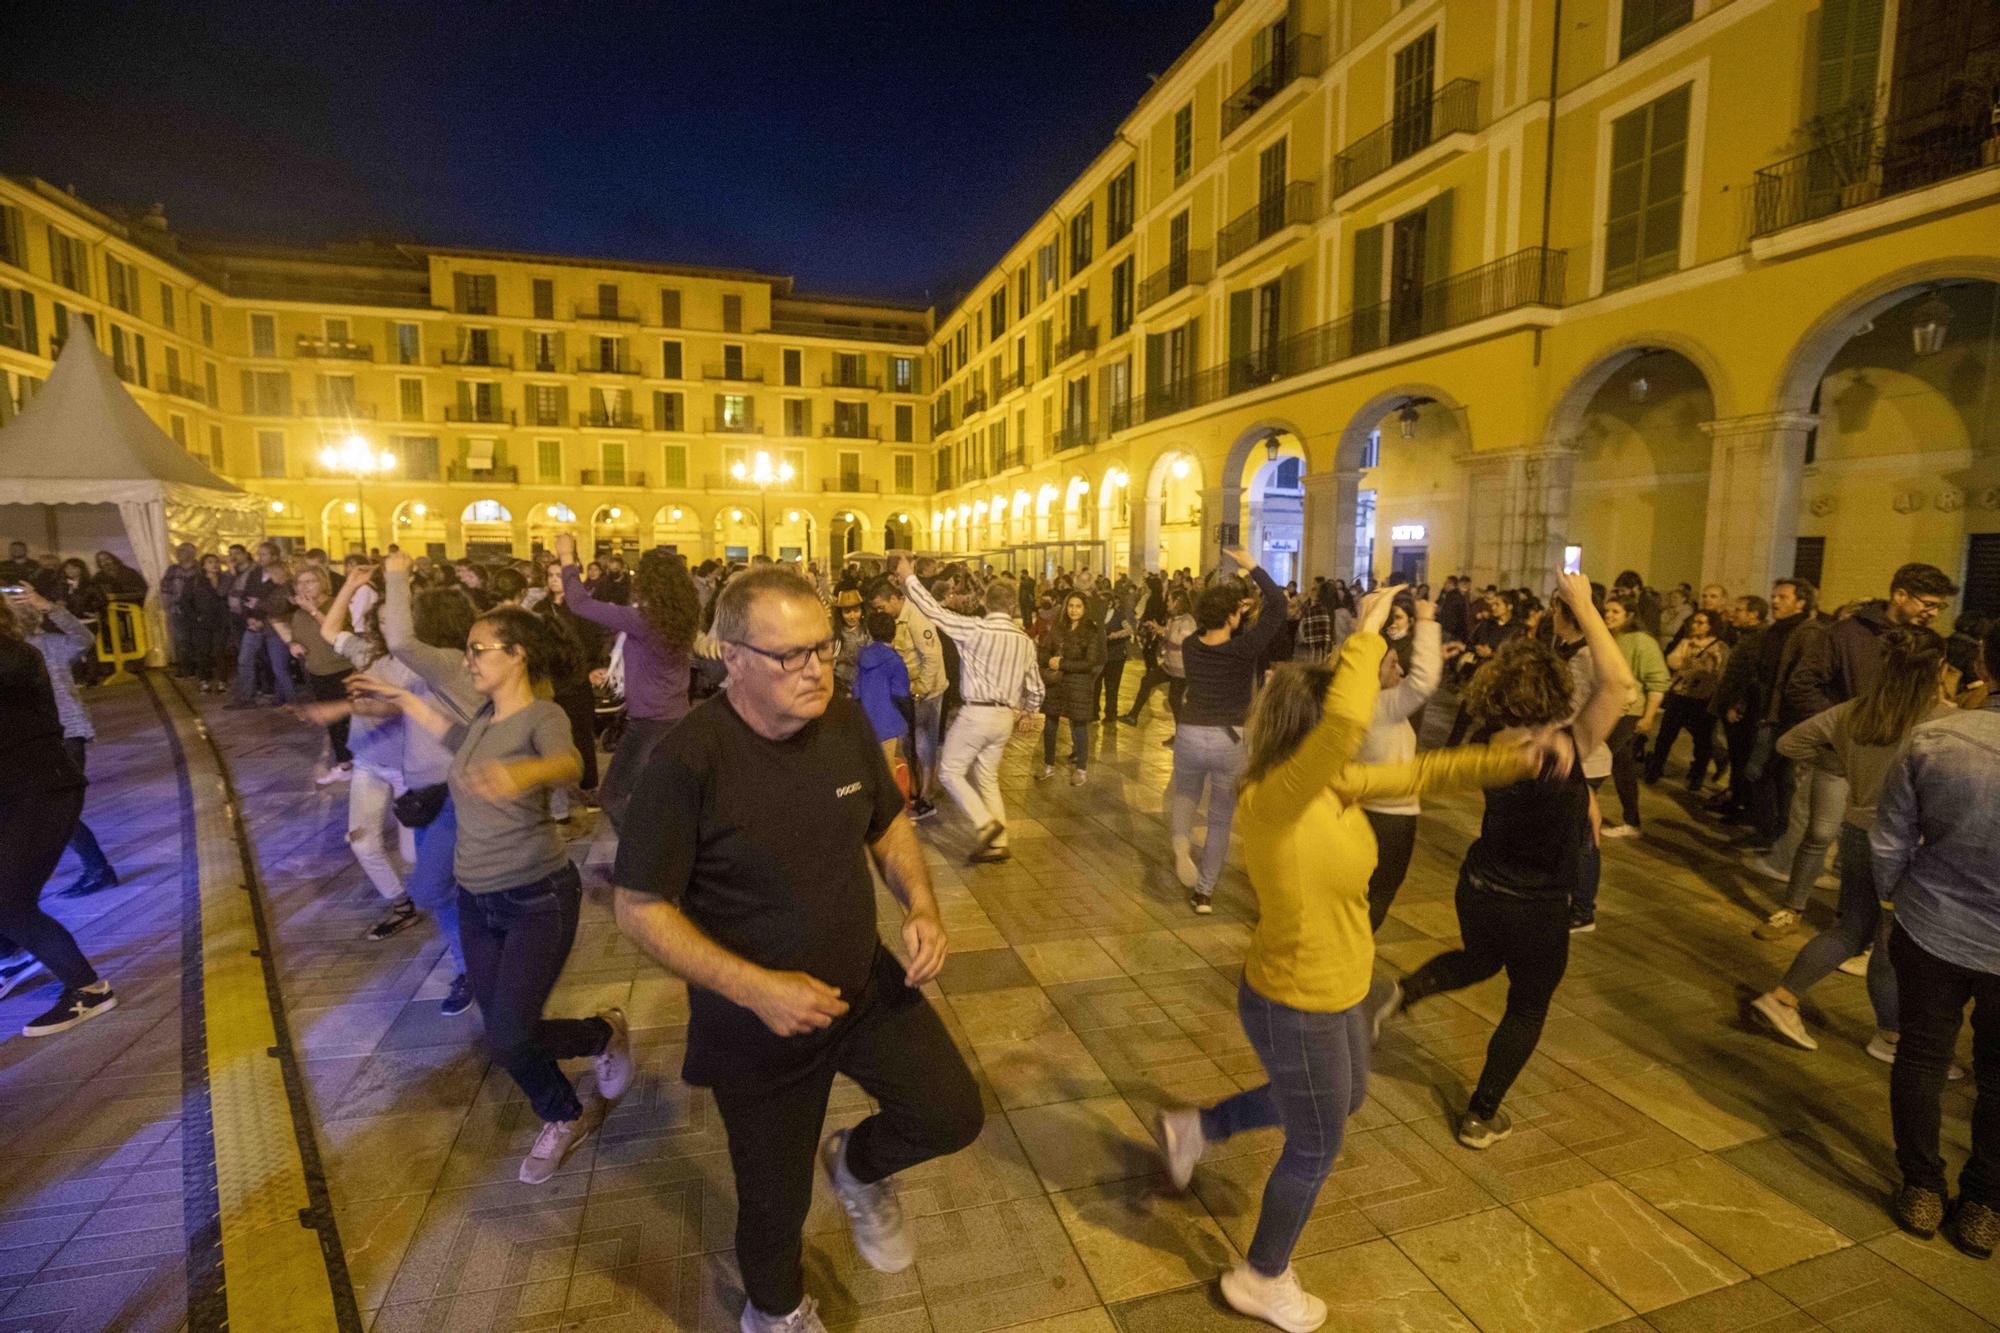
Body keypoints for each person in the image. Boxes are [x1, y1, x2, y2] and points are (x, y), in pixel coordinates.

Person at [1152, 589, 1539, 1331]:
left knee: (1341, 1100)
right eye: (1339, 724)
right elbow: (1348, 722)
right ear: (1313, 729)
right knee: (1317, 1140)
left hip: (1341, 988)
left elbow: (1424, 774)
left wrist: (1512, 761)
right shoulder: (1279, 794)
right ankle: (1261, 1275)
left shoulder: (1332, 784)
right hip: (1298, 996)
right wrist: (1363, 632)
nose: (1358, 734)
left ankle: (1195, 1129)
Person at [610, 566, 980, 1333]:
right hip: (760, 1022)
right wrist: (754, 988)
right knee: (775, 1203)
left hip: (864, 984)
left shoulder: (842, 721)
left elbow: (889, 823)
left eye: (823, 647)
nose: (816, 668)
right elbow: (639, 907)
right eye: (791, 655)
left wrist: (922, 904)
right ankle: (774, 1312)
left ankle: (857, 1164)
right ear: (732, 656)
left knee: (949, 1112)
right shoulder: (687, 762)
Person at [352, 606, 631, 1184]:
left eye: (479, 649)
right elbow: (457, 738)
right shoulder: (482, 718)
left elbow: (570, 762)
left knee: (509, 1037)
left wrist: (524, 776)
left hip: (538, 898)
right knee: (505, 1032)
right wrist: (402, 701)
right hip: (479, 902)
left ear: (517, 655)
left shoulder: (543, 715)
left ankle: (578, 1083)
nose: (469, 660)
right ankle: (592, 1051)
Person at [1379, 572, 1634, 1147]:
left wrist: (1586, 798)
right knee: (1527, 1005)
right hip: (1538, 906)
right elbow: (1618, 684)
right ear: (1559, 694)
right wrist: (1587, 607)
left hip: (1479, 887)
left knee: (1480, 958)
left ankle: (1409, 989)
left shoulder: (1496, 742)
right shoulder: (1565, 747)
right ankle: (1480, 1113)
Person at [1750, 627, 1957, 1061]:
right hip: (1908, 845)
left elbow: (1790, 743)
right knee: (1888, 943)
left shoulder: (1854, 712)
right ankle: (1891, 1037)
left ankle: (1784, 998)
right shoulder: (1942, 722)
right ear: (1937, 669)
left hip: (1860, 833)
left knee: (1852, 928)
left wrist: (1840, 762)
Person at [1873, 619, 2000, 1256]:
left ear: (1985, 664)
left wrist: (1893, 894)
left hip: (1935, 923)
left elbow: (1891, 834)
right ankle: (1984, 1203)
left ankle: (1923, 1186)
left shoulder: (1937, 737)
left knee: (1922, 1055)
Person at [0, 589, 116, 1036]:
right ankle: (11, 956)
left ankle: (88, 989)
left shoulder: (14, 656)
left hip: (40, 789)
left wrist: (48, 606)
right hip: (20, 788)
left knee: (9, 901)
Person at [379, 552, 483, 1013]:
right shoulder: (436, 670)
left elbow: (400, 639)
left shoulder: (447, 662)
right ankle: (471, 967)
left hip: (451, 792)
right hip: (428, 794)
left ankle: (481, 962)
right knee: (447, 889)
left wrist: (395, 574)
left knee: (428, 887)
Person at [897, 558, 1043, 864]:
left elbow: (934, 611)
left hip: (977, 712)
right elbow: (1036, 687)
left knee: (950, 772)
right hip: (1005, 716)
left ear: (987, 603)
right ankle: (998, 842)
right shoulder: (1024, 641)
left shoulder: (975, 628)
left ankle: (986, 824)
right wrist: (1029, 711)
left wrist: (910, 579)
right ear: (1014, 606)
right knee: (987, 776)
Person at [551, 534, 696, 830]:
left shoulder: (641, 618)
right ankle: (661, 851)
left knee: (613, 796)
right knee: (657, 795)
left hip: (649, 722)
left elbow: (579, 603)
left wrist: (567, 557)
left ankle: (644, 856)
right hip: (676, 715)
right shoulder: (683, 617)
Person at [297, 566, 415, 925]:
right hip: (368, 761)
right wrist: (349, 584)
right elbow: (330, 630)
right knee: (362, 841)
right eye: (380, 620)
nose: (386, 625)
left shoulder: (419, 662)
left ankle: (444, 893)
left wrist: (346, 706)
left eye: (393, 618)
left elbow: (395, 706)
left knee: (413, 855)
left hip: (408, 767)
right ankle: (400, 902)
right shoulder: (367, 652)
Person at [1172, 547, 1287, 913]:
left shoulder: (1191, 646)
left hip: (1190, 731)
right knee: (1220, 818)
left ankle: (1179, 842)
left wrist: (1230, 606)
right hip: (1228, 739)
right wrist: (1250, 566)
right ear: (1233, 615)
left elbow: (1206, 610)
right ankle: (1204, 893)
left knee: (1186, 794)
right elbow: (1279, 606)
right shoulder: (1245, 648)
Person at [16, 589, 119, 897]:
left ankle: (97, 869)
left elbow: (85, 638)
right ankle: (95, 869)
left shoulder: (50, 645)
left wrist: (50, 606)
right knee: (48, 809)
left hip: (66, 734)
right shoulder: (12, 654)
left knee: (56, 809)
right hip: (39, 737)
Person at [1360, 595, 1444, 930]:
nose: (1399, 670)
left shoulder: (1350, 699)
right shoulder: (1384, 705)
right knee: (1381, 891)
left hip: (1358, 806)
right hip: (1391, 814)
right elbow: (1423, 681)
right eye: (1392, 664)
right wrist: (1426, 622)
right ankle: (1354, 954)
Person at [866, 573, 946, 820]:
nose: (881, 612)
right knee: (909, 743)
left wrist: (921, 689)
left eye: (881, 607)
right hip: (907, 692)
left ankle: (926, 796)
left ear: (893, 599)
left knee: (925, 744)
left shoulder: (916, 617)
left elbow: (931, 658)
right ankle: (913, 791)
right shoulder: (895, 619)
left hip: (928, 693)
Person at [276, 568, 356, 783]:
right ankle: (344, 764)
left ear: (323, 583)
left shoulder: (333, 606)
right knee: (333, 722)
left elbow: (337, 633)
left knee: (352, 718)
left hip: (343, 670)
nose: (304, 587)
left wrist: (313, 610)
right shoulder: (298, 613)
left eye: (310, 581)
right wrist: (294, 644)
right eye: (300, 583)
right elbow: (295, 637)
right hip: (317, 671)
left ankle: (364, 764)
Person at [1599, 590, 1666, 837]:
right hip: (1607, 709)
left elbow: (1657, 681)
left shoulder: (1642, 641)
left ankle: (1627, 819)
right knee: (1621, 764)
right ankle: (1631, 820)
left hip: (1630, 712)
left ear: (1629, 615)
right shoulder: (1609, 638)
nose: (1609, 615)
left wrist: (1647, 716)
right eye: (1607, 611)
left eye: (1615, 612)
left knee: (1604, 759)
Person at [1644, 609, 1728, 790]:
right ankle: (1655, 769)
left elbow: (1717, 673)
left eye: (1700, 622)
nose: (1694, 625)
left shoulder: (1719, 647)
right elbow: (1673, 661)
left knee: (1702, 740)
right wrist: (1685, 652)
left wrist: (1694, 666)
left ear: (1711, 626)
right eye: (1694, 621)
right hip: (1680, 695)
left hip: (1702, 698)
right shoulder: (1685, 642)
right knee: (1665, 736)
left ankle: (1697, 777)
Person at [1037, 591, 1103, 787]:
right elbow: (1043, 652)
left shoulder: (1091, 631)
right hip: (1056, 684)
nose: (1074, 610)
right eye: (1071, 606)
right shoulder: (1058, 628)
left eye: (1078, 606)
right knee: (1050, 724)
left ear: (1085, 609)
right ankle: (1048, 765)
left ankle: (1081, 769)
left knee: (1080, 726)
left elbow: (1090, 662)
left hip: (1078, 684)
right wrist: (1049, 660)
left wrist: (1063, 664)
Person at [227, 541, 296, 708]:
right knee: (245, 659)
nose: (260, 557)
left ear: (274, 556)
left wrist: (260, 617)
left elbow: (280, 605)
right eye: (259, 554)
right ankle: (246, 698)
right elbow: (245, 596)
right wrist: (249, 617)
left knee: (277, 664)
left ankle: (285, 699)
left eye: (264, 554)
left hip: (274, 625)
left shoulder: (283, 576)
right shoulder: (255, 573)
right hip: (254, 624)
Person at [854, 610, 913, 773]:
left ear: (871, 632)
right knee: (888, 772)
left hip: (866, 724)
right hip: (889, 724)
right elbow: (901, 695)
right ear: (893, 633)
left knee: (869, 771)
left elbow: (856, 693)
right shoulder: (895, 661)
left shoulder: (862, 656)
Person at [161, 542, 205, 678]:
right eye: (178, 551)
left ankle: (201, 668)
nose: (178, 553)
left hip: (197, 610)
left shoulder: (200, 569)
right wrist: (168, 606)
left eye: (183, 551)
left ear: (192, 554)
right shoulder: (172, 570)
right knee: (181, 640)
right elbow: (165, 588)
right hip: (177, 610)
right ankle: (185, 668)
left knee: (199, 640)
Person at [1098, 587, 1135, 723]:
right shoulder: (1097, 616)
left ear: (1110, 603)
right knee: (1097, 684)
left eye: (1103, 602)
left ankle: (1111, 713)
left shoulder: (1119, 615)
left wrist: (1116, 635)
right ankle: (1094, 711)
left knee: (1112, 686)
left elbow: (1129, 630)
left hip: (1116, 655)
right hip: (1101, 655)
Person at [832, 590, 867, 695]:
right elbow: (831, 661)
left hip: (863, 686)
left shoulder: (867, 631)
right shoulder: (836, 634)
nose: (852, 616)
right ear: (840, 613)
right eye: (847, 612)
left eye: (856, 611)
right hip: (841, 686)